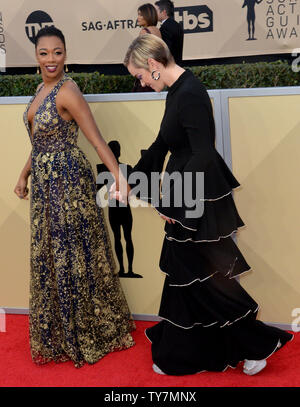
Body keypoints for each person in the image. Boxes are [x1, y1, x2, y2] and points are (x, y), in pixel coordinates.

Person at [122, 34, 294, 376]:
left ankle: (254, 345)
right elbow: (161, 146)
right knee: (188, 277)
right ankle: (183, 351)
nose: (139, 82)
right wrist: (132, 181)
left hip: (196, 198)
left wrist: (172, 202)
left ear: (153, 65)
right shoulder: (177, 93)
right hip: (184, 193)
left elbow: (202, 154)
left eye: (139, 75)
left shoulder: (191, 94)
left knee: (204, 278)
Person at [13, 26, 135, 368]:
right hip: (45, 184)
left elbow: (95, 139)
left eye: (57, 52)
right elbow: (39, 143)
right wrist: (24, 174)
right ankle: (62, 331)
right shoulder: (40, 89)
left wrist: (119, 177)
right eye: (44, 53)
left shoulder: (67, 91)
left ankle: (85, 330)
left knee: (73, 254)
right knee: (52, 254)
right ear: (36, 57)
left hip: (68, 181)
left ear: (66, 54)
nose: (51, 59)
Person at [96, 141, 142, 278]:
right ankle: (125, 269)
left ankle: (126, 269)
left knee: (124, 238)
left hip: (120, 209)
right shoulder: (118, 169)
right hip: (118, 209)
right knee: (123, 238)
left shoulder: (115, 169)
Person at [133, 3, 161, 92]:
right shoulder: (157, 30)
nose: (138, 18)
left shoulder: (144, 32)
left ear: (147, 16)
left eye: (140, 15)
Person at [154, 0, 184, 66]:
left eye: (156, 11)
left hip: (170, 68)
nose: (154, 14)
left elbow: (166, 50)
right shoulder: (176, 25)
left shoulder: (166, 28)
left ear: (164, 12)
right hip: (177, 66)